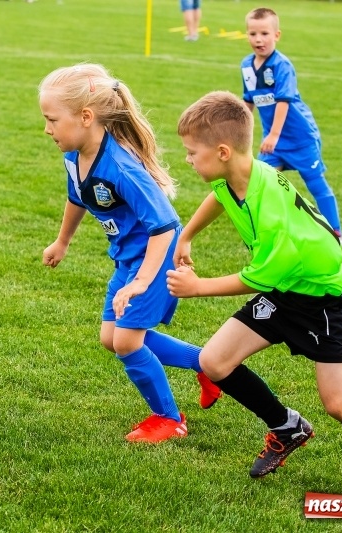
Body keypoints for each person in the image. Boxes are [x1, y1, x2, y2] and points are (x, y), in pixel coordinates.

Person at [167, 90, 342, 499]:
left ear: (221, 151)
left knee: (339, 404)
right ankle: (286, 426)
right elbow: (220, 198)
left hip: (319, 303)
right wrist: (187, 234)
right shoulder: (239, 174)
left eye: (191, 152)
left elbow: (258, 278)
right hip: (284, 293)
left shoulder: (271, 211)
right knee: (214, 361)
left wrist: (197, 288)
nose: (188, 159)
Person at [38, 63, 222, 443]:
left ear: (86, 117)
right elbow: (78, 198)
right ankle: (205, 364)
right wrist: (63, 241)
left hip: (156, 256)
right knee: (112, 338)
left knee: (126, 342)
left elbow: (165, 226)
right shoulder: (74, 156)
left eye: (52, 119)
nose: (47, 129)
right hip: (129, 258)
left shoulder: (121, 166)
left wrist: (141, 281)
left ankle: (169, 419)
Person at [241, 8, 342, 245]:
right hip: (273, 143)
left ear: (277, 35)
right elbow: (247, 102)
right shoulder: (246, 65)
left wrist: (274, 134)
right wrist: (240, 134)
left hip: (300, 139)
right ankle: (266, 232)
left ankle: (336, 233)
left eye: (264, 33)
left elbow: (283, 102)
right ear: (246, 35)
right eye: (253, 33)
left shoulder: (282, 65)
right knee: (258, 183)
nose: (258, 39)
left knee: (316, 184)